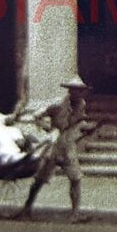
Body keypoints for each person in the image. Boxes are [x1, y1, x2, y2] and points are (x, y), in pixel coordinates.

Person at [30, 77, 96, 223]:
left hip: (68, 147)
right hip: (54, 146)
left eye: (81, 91)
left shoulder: (81, 105)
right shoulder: (57, 104)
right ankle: (27, 207)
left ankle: (75, 213)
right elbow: (36, 116)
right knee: (40, 179)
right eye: (76, 91)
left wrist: (87, 129)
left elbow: (78, 123)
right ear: (70, 91)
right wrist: (47, 127)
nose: (79, 94)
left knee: (76, 179)